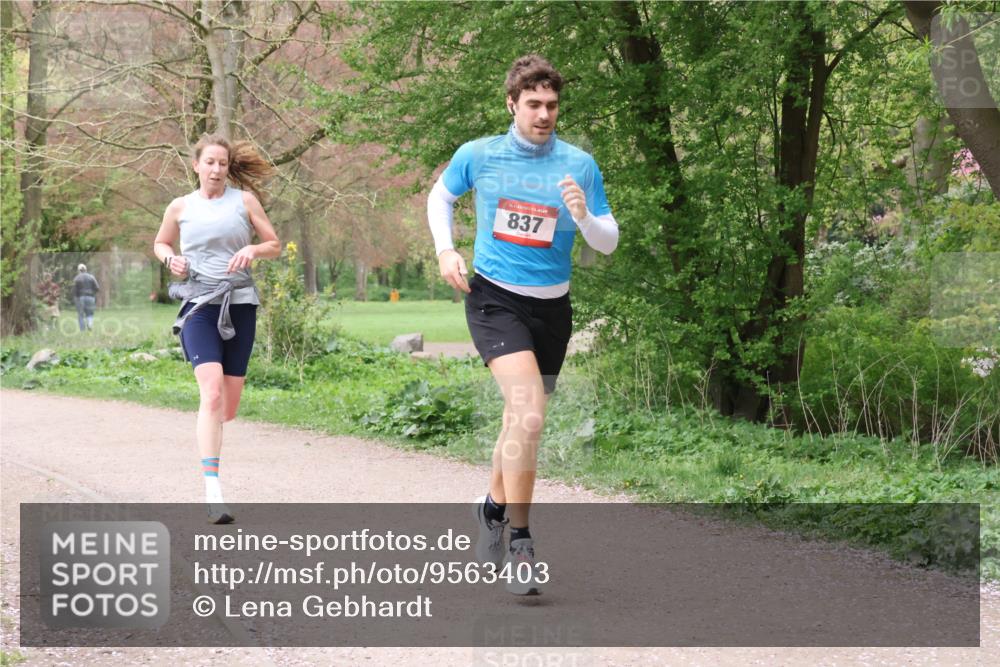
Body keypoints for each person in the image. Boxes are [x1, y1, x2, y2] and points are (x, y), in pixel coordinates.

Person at [427, 55, 619, 594]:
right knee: (530, 415)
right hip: (494, 300)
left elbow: (608, 240)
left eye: (552, 105)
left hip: (553, 309)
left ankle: (490, 508)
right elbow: (440, 197)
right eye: (533, 104)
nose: (544, 114)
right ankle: (521, 542)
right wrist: (446, 251)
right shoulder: (480, 155)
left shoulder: (579, 165)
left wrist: (583, 217)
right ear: (512, 104)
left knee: (521, 420)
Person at [153, 134, 280, 524]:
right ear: (196, 165)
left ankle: (211, 432)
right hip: (199, 306)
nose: (216, 169)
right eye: (209, 162)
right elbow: (160, 243)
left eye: (222, 163)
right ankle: (213, 491)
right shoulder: (181, 207)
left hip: (240, 305)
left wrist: (253, 250)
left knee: (227, 406)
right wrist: (170, 258)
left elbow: (274, 243)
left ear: (228, 167)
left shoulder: (244, 202)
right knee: (210, 395)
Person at [73, 264, 100, 332]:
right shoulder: (91, 277)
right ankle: (90, 324)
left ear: (78, 270)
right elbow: (97, 288)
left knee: (81, 314)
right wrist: (92, 293)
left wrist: (76, 298)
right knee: (90, 313)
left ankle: (82, 330)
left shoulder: (77, 278)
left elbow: (74, 290)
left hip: (81, 297)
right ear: (86, 269)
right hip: (90, 297)